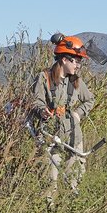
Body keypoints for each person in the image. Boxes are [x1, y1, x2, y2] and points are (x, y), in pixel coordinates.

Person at [30, 34, 95, 201]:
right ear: (65, 59)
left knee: (74, 180)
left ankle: (71, 211)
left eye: (80, 62)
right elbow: (35, 101)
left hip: (74, 137)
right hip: (50, 136)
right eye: (76, 61)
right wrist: (42, 111)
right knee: (49, 182)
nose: (78, 66)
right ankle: (49, 212)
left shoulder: (76, 81)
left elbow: (90, 100)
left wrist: (78, 113)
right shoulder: (44, 77)